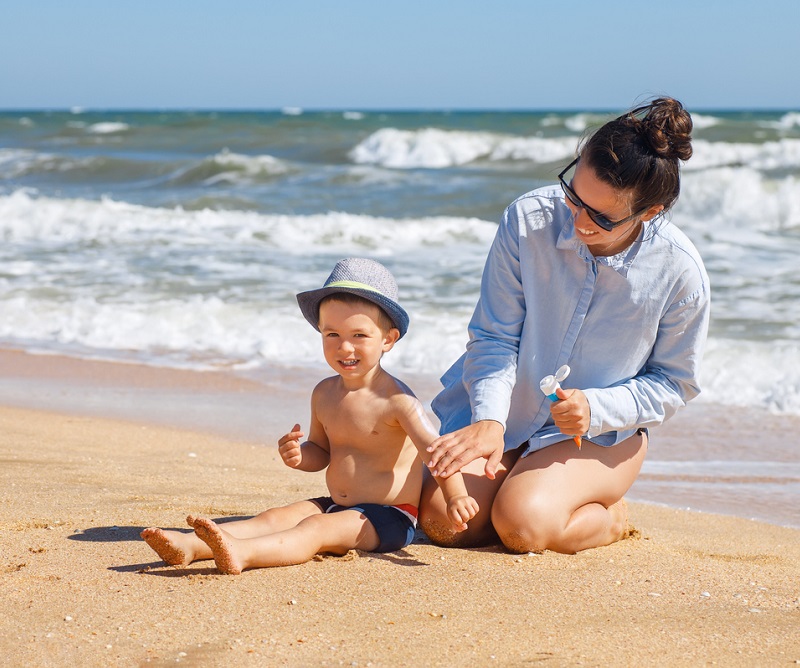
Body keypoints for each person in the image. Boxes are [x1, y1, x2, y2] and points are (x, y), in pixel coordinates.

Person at [420, 97, 710, 555]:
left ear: (649, 213)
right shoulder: (527, 219)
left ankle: (608, 516)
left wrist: (596, 407)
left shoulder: (679, 272)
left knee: (522, 527)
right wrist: (490, 420)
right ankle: (526, 488)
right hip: (506, 409)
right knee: (446, 523)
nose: (577, 222)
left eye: (600, 216)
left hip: (595, 433)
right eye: (573, 195)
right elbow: (494, 336)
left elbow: (675, 383)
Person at [141, 257, 478, 574]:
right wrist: (300, 456)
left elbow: (436, 453)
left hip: (388, 517)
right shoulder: (324, 393)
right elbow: (321, 452)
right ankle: (190, 546)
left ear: (388, 339)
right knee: (276, 517)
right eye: (332, 335)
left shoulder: (398, 401)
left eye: (359, 335)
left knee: (316, 529)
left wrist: (457, 496)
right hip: (334, 503)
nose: (344, 347)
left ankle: (244, 553)